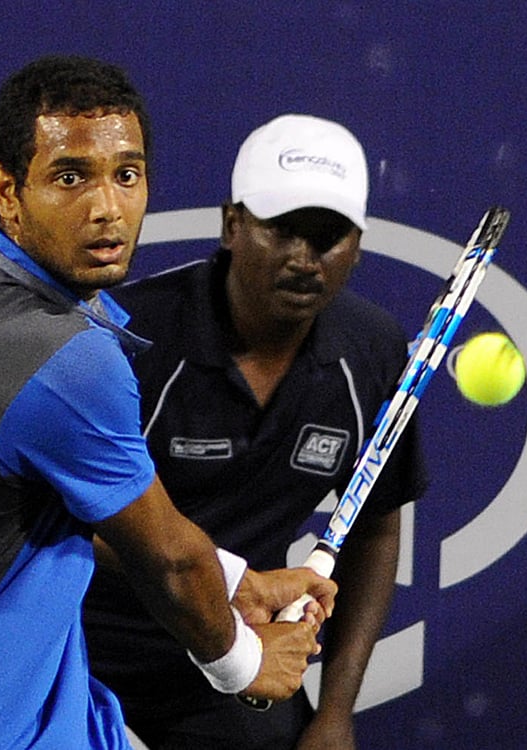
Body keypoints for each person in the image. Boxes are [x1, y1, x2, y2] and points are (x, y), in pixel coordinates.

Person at [0, 59, 337, 750]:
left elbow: (78, 512)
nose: (108, 207)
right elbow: (168, 561)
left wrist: (236, 581)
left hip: (16, 713)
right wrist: (247, 664)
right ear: (8, 189)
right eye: (71, 177)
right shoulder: (65, 362)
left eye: (127, 175)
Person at [84, 114, 429, 749]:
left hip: (237, 658)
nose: (304, 258)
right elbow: (65, 515)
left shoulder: (373, 352)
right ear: (232, 225)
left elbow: (377, 526)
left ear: (357, 243)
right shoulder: (128, 338)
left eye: (328, 236)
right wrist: (228, 580)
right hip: (80, 651)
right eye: (282, 230)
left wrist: (334, 713)